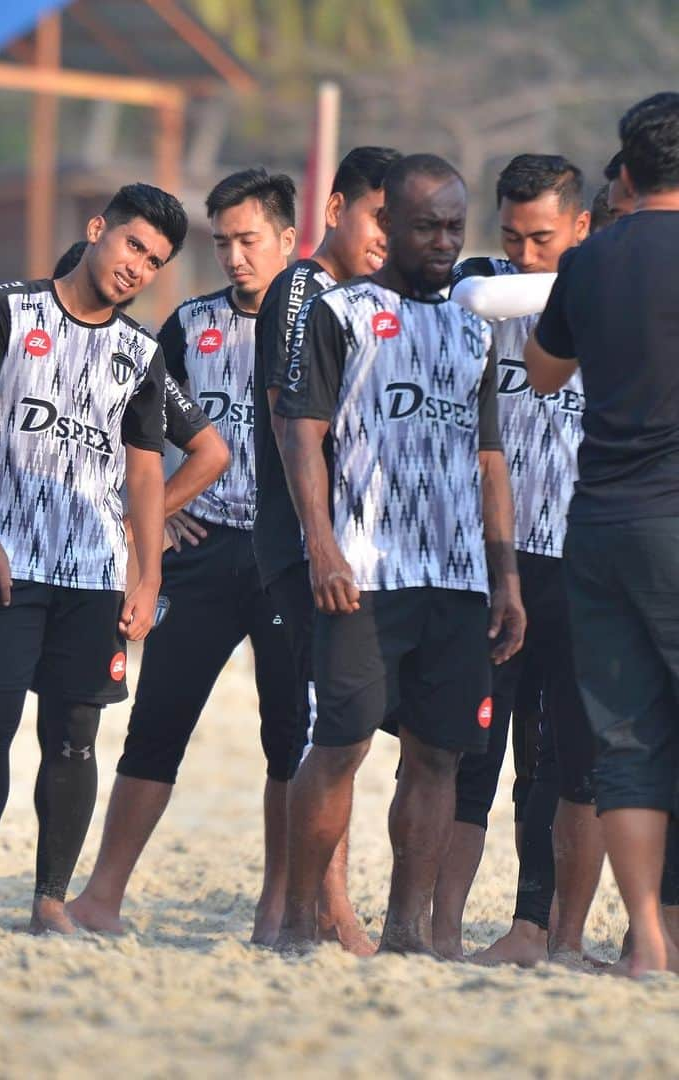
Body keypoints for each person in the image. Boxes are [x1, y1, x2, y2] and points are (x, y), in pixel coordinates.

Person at [274, 154, 525, 954]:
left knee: (438, 754)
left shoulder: (470, 326)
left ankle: (407, 932)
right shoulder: (338, 313)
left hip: (455, 577)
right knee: (342, 742)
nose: (446, 241)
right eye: (428, 226)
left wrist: (505, 576)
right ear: (387, 227)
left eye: (456, 225)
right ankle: (299, 919)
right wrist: (320, 544)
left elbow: (490, 458)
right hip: (364, 571)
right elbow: (299, 431)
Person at [0, 183, 186, 935]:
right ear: (97, 229)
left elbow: (144, 470)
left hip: (93, 573)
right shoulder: (8, 310)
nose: (138, 267)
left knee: (75, 737)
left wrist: (148, 575)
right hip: (8, 559)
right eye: (133, 246)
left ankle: (50, 902)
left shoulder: (140, 350)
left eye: (156, 261)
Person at [68, 168, 303, 944]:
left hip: (287, 556)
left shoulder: (321, 320)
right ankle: (102, 896)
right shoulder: (189, 324)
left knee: (289, 736)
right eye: (223, 242)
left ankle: (278, 906)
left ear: (287, 240)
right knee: (155, 724)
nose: (236, 257)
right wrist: (156, 519)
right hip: (202, 553)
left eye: (250, 240)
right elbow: (133, 434)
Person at [525, 92, 679, 976]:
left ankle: (648, 942)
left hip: (599, 524)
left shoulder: (588, 263)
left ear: (624, 172)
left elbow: (544, 374)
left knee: (627, 739)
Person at [434, 154, 596, 966]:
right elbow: (475, 291)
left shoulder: (616, 295)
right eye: (512, 237)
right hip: (487, 555)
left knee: (561, 762)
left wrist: (585, 283)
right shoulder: (480, 281)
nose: (525, 255)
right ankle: (439, 929)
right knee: (468, 754)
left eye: (544, 239)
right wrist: (550, 281)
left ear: (583, 227)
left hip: (576, 557)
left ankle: (539, 929)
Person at [253, 146, 401, 954]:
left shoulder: (367, 297)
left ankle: (304, 909)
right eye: (379, 215)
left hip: (354, 544)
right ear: (337, 206)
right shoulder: (304, 290)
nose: (388, 234)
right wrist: (320, 539)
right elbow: (289, 419)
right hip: (312, 542)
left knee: (345, 724)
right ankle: (325, 909)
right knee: (331, 726)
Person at [51, 240, 230, 578]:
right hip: (8, 549)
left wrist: (147, 516)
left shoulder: (137, 358)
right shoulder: (21, 336)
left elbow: (212, 453)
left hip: (91, 561)